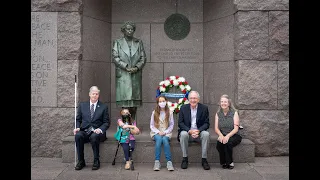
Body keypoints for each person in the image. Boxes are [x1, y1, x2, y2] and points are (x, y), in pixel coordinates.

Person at [112, 21, 147, 119]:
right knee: (125, 102)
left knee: (134, 101)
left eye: (132, 29)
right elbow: (115, 57)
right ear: (123, 30)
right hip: (123, 75)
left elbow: (143, 58)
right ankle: (125, 125)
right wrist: (125, 66)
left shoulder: (138, 42)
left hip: (135, 75)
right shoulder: (117, 42)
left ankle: (133, 124)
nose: (130, 31)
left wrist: (136, 67)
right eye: (128, 29)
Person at [73, 86, 110, 170]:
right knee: (78, 135)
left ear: (98, 95)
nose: (95, 96)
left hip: (98, 133)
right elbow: (78, 119)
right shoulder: (82, 105)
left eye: (96, 94)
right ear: (89, 94)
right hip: (85, 131)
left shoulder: (103, 107)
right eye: (93, 94)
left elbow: (106, 122)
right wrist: (77, 127)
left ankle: (96, 160)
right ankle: (81, 161)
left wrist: (100, 129)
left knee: (94, 136)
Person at [178, 90, 211, 170]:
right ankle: (185, 159)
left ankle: (204, 160)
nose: (193, 100)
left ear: (198, 99)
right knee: (183, 134)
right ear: (188, 99)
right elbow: (180, 123)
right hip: (188, 133)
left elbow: (207, 123)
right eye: (191, 98)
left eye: (195, 98)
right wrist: (189, 131)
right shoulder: (183, 108)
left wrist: (198, 130)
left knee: (206, 134)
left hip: (199, 133)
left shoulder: (204, 108)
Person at [214, 94, 242, 169]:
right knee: (219, 144)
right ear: (220, 103)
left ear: (229, 103)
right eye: (222, 102)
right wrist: (221, 136)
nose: (223, 103)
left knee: (228, 142)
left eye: (225, 102)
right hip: (223, 134)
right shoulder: (218, 114)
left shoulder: (234, 112)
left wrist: (227, 136)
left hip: (234, 134)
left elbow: (236, 129)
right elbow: (216, 128)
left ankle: (230, 162)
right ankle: (223, 162)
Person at [150, 96, 175, 171]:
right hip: (156, 132)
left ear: (166, 101)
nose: (162, 103)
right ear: (158, 103)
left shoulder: (169, 112)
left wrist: (165, 132)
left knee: (165, 140)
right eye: (160, 101)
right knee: (159, 140)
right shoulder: (154, 112)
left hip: (167, 132)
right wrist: (158, 132)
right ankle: (157, 162)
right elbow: (151, 125)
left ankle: (169, 162)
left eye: (163, 101)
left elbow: (171, 125)